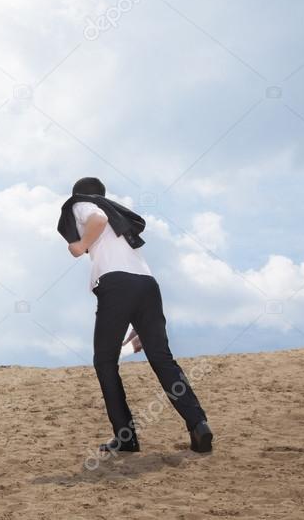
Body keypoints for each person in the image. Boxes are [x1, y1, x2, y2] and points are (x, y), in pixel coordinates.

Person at [57, 177, 213, 454]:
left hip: (116, 284)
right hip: (147, 284)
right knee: (162, 358)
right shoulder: (119, 221)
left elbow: (97, 219)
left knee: (105, 362)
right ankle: (198, 423)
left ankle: (126, 437)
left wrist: (80, 245)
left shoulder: (82, 204)